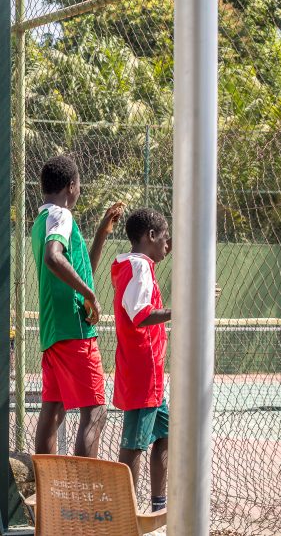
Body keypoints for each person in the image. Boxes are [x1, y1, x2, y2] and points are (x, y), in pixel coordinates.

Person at [31, 155, 124, 458]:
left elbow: (82, 274)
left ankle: (45, 483)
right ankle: (84, 492)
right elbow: (53, 257)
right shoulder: (62, 216)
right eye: (80, 186)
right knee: (95, 411)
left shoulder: (41, 220)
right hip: (74, 328)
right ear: (71, 186)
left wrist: (101, 233)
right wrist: (91, 296)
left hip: (53, 329)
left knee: (53, 409)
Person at [111, 208, 172, 514]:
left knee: (167, 433)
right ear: (150, 236)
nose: (168, 243)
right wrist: (181, 309)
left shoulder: (136, 265)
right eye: (164, 236)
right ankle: (125, 514)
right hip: (143, 371)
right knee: (135, 443)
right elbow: (140, 314)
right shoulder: (139, 268)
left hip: (151, 372)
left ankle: (159, 508)